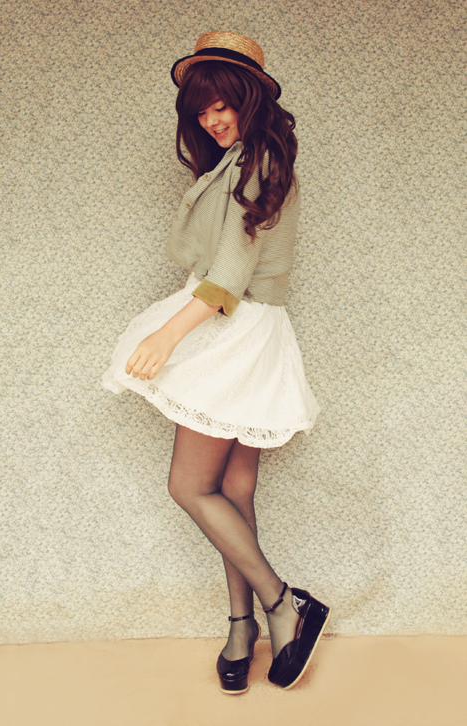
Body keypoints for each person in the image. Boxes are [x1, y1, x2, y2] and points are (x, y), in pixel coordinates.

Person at [102, 31, 331, 693]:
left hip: (233, 326)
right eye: (201, 110)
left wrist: (166, 336)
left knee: (189, 487)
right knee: (231, 491)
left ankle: (282, 603)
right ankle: (242, 625)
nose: (213, 119)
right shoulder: (235, 162)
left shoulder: (259, 159)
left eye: (223, 104)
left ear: (250, 99)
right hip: (245, 329)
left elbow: (229, 274)